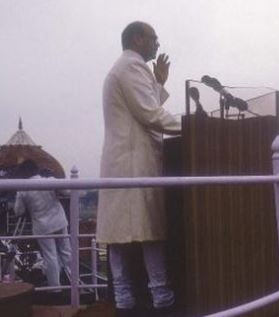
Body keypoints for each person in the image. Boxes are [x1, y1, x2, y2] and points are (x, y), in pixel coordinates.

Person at [97, 21, 181, 316]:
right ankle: (161, 301)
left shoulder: (125, 68)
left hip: (124, 164)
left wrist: (158, 82)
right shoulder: (131, 67)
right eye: (153, 39)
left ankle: (126, 303)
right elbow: (149, 113)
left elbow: (143, 104)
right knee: (147, 232)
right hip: (132, 165)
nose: (158, 44)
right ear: (138, 39)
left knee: (124, 236)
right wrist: (194, 127)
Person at [13, 160, 71, 295]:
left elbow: (18, 211)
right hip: (59, 221)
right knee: (66, 252)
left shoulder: (22, 190)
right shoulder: (49, 181)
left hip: (42, 225)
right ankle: (74, 282)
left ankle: (55, 289)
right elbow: (67, 191)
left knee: (50, 256)